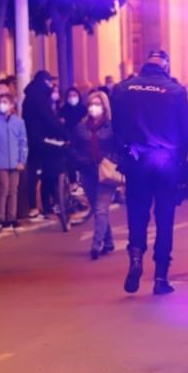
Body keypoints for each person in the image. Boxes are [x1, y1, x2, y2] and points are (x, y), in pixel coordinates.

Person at [111, 50, 188, 295]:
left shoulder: (124, 89)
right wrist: (180, 156)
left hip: (137, 158)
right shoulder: (175, 91)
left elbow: (116, 124)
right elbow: (187, 128)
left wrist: (126, 149)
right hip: (166, 160)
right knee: (164, 217)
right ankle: (160, 277)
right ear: (165, 66)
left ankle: (136, 259)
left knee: (137, 213)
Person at [73, 90, 118, 259]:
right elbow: (73, 148)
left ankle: (96, 244)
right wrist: (80, 160)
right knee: (98, 208)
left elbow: (120, 148)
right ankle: (109, 241)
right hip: (88, 172)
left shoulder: (113, 127)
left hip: (106, 172)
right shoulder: (81, 126)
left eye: (97, 104)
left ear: (104, 107)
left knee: (101, 209)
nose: (93, 108)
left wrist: (110, 160)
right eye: (91, 104)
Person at [23, 70, 68, 219]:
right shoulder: (40, 98)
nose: (51, 85)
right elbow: (49, 119)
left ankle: (35, 206)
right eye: (49, 82)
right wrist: (64, 133)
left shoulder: (29, 97)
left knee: (33, 173)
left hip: (32, 140)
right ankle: (47, 205)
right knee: (49, 172)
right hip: (43, 140)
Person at [0, 92, 28, 229]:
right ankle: (0, 217)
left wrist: (22, 160)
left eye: (5, 102)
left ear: (11, 105)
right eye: (1, 102)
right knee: (2, 188)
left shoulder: (18, 122)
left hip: (15, 161)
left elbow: (23, 142)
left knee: (13, 190)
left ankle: (12, 216)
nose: (2, 105)